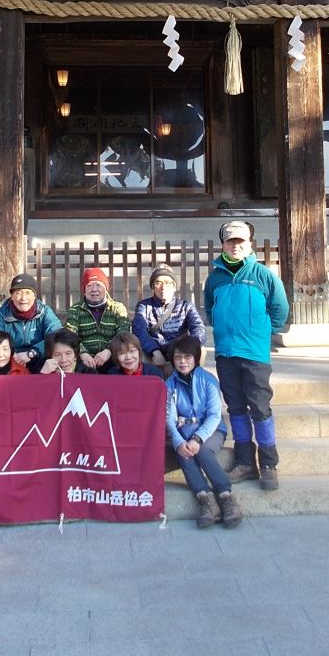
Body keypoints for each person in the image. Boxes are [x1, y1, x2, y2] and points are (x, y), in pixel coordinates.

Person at [204, 220, 289, 492]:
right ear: (223, 245)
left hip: (254, 354)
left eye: (240, 242)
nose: (235, 246)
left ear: (249, 244)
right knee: (236, 408)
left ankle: (268, 464)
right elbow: (209, 308)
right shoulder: (215, 277)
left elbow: (280, 310)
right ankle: (244, 462)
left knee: (260, 408)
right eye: (231, 242)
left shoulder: (263, 275)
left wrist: (262, 333)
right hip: (226, 352)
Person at [165, 335, 242, 529]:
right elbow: (168, 418)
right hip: (184, 432)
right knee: (183, 453)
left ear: (196, 358)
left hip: (212, 432)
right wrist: (178, 442)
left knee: (201, 450)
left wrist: (198, 438)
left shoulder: (208, 380)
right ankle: (206, 501)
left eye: (188, 357)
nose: (182, 362)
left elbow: (215, 415)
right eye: (178, 357)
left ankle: (226, 497)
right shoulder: (169, 385)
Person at [132, 264, 206, 371]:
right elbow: (139, 330)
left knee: (201, 350)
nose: (163, 287)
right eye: (158, 283)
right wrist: (154, 351)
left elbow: (199, 328)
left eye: (167, 283)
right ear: (153, 287)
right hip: (152, 352)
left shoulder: (186, 306)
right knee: (138, 351)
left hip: (179, 351)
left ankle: (192, 383)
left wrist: (186, 348)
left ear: (174, 286)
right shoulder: (144, 306)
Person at [0, 273, 61, 371]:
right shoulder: (0, 316)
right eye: (18, 293)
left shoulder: (45, 312)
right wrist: (10, 355)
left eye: (28, 293)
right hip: (10, 361)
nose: (23, 298)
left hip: (39, 359)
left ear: (34, 296)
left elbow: (57, 335)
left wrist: (32, 352)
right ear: (11, 296)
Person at [64, 268, 131, 370]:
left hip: (112, 357)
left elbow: (123, 333)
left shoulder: (117, 308)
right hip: (84, 360)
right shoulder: (76, 309)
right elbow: (69, 335)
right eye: (89, 285)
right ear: (84, 290)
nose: (94, 289)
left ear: (106, 287)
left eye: (98, 285)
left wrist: (109, 351)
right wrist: (82, 353)